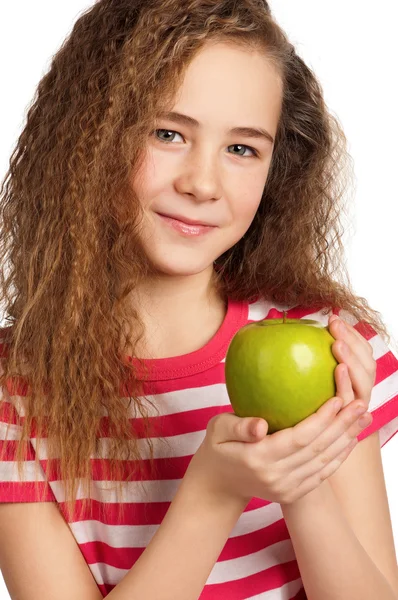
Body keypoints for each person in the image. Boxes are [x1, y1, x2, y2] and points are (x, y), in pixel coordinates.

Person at [0, 0, 397, 599]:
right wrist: (214, 490)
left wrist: (303, 476)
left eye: (242, 149)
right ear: (87, 137)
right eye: (167, 133)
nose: (202, 183)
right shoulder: (15, 392)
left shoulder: (328, 340)